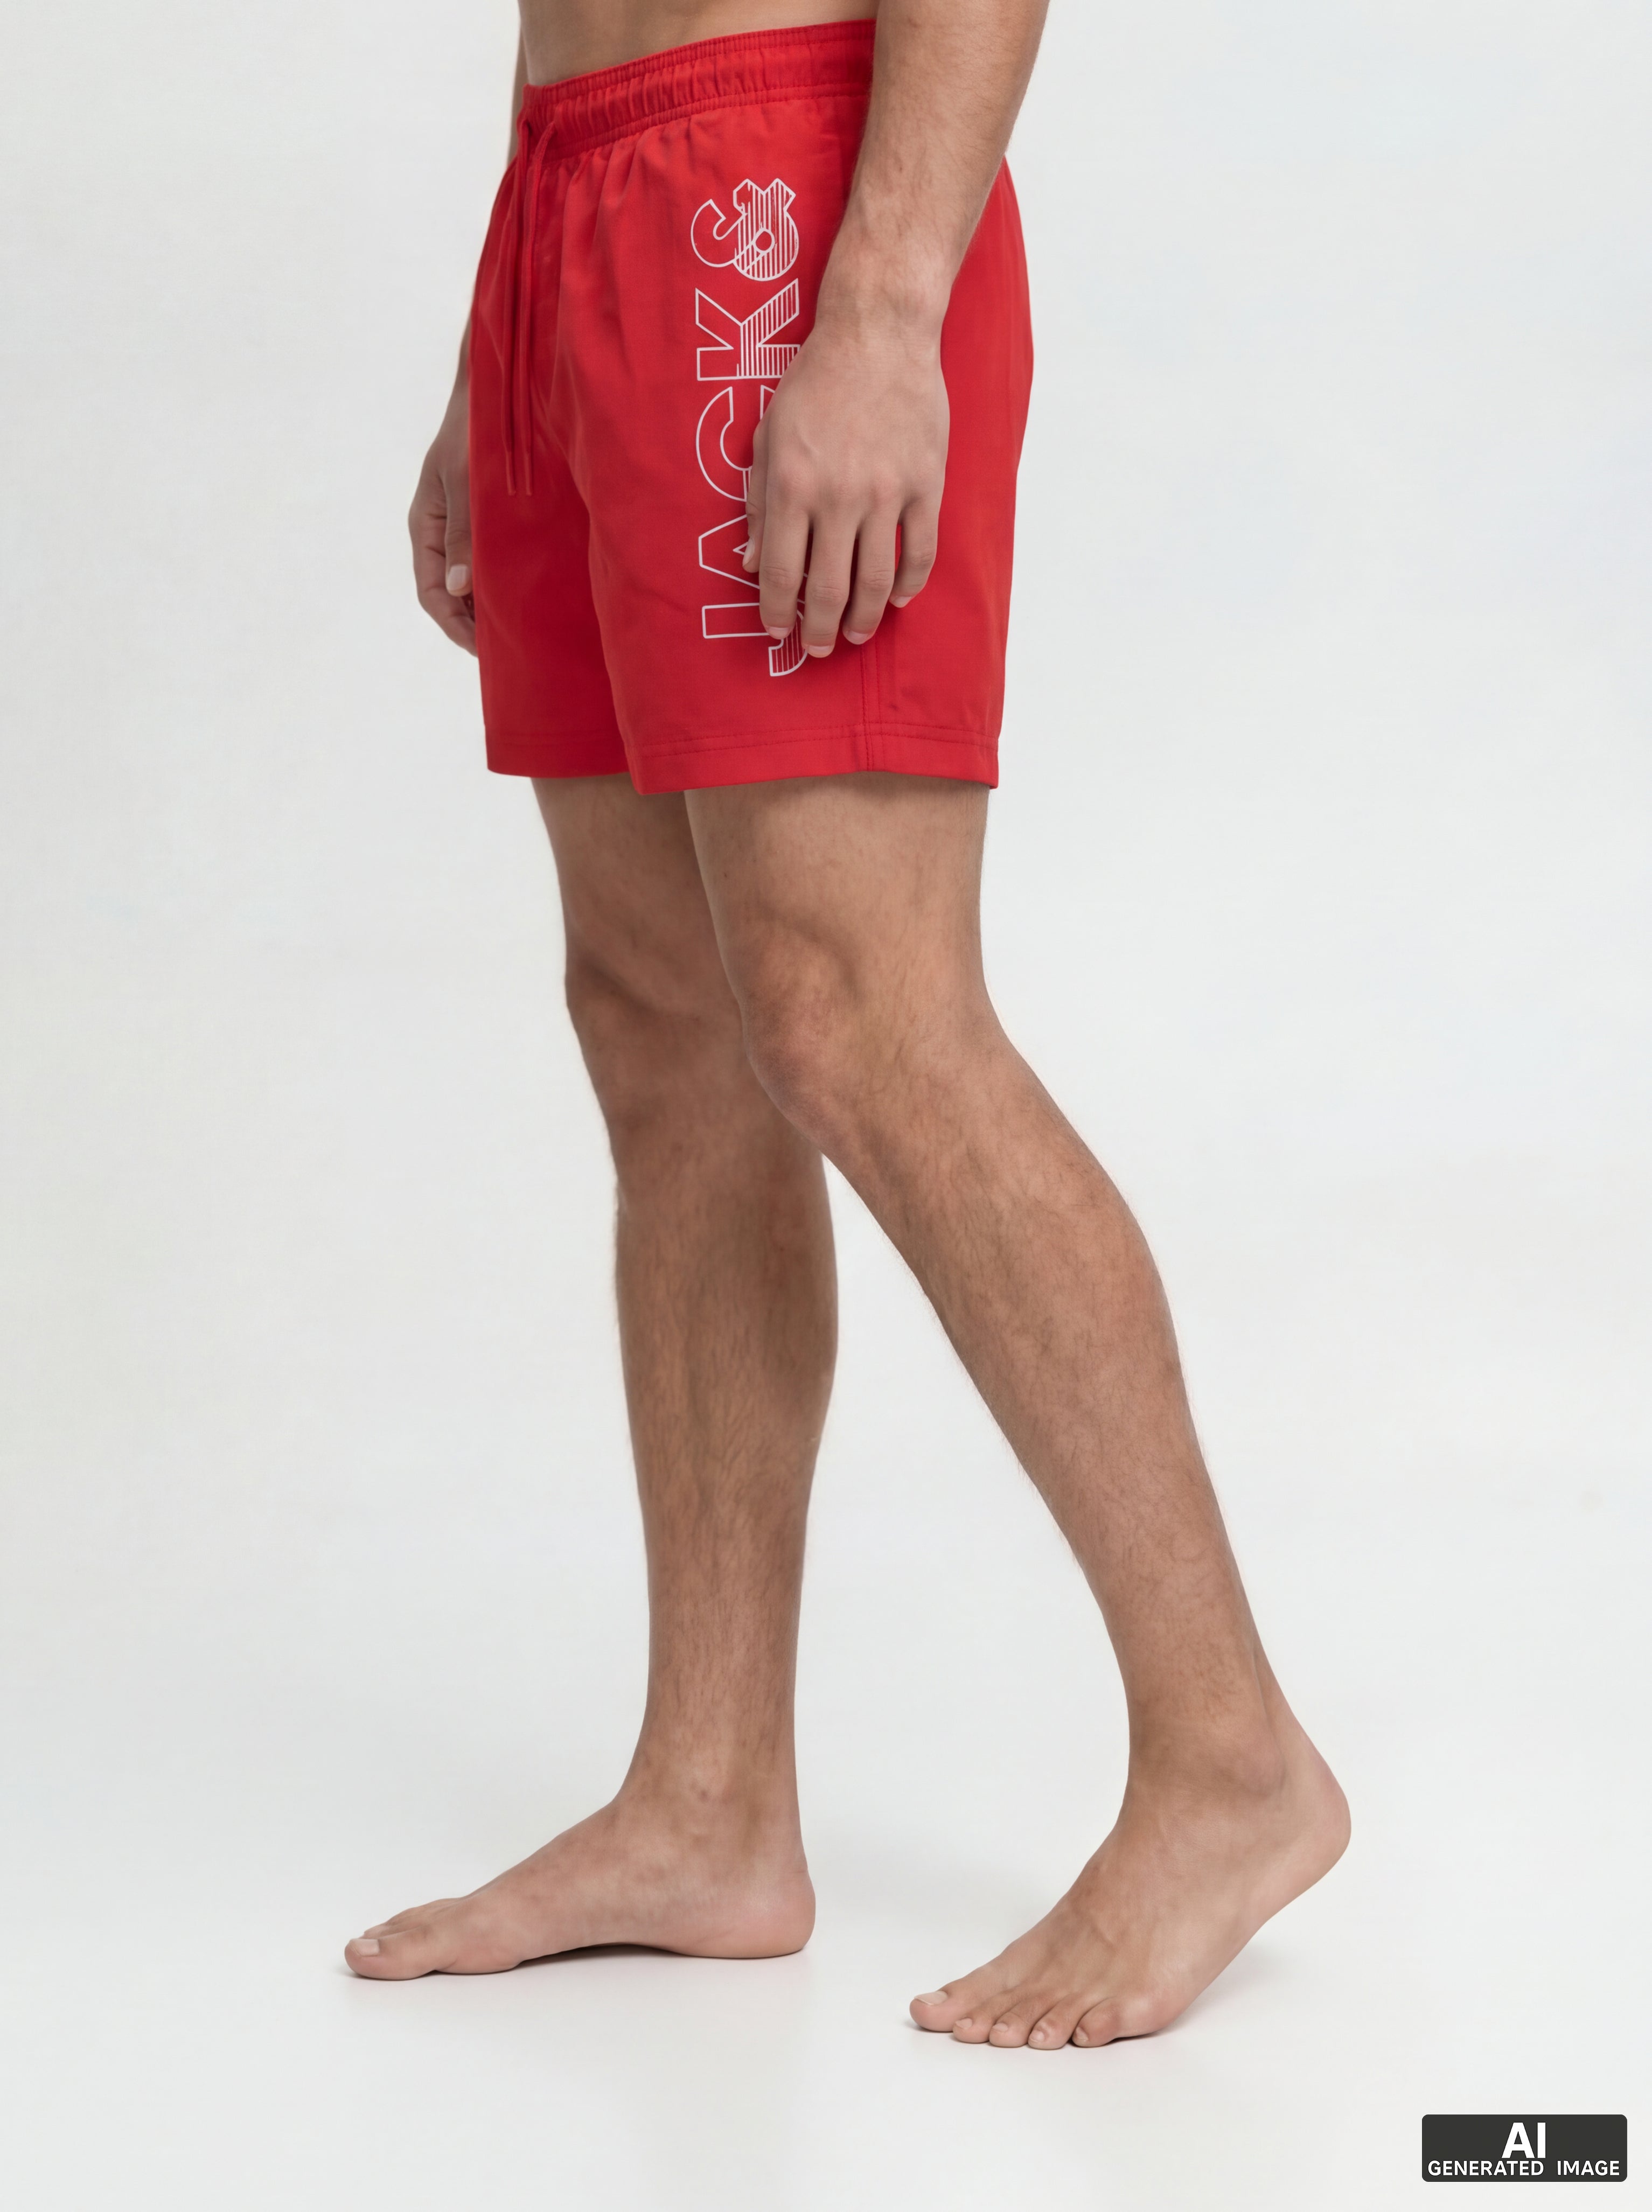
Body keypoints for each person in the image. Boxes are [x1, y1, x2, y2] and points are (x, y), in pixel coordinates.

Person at [343, 0, 1350, 2053]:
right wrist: (502, 334)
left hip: (782, 187)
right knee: (659, 1024)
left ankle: (1228, 1756)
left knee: (856, 1008)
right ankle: (706, 1802)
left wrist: (883, 302)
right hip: (575, 185)